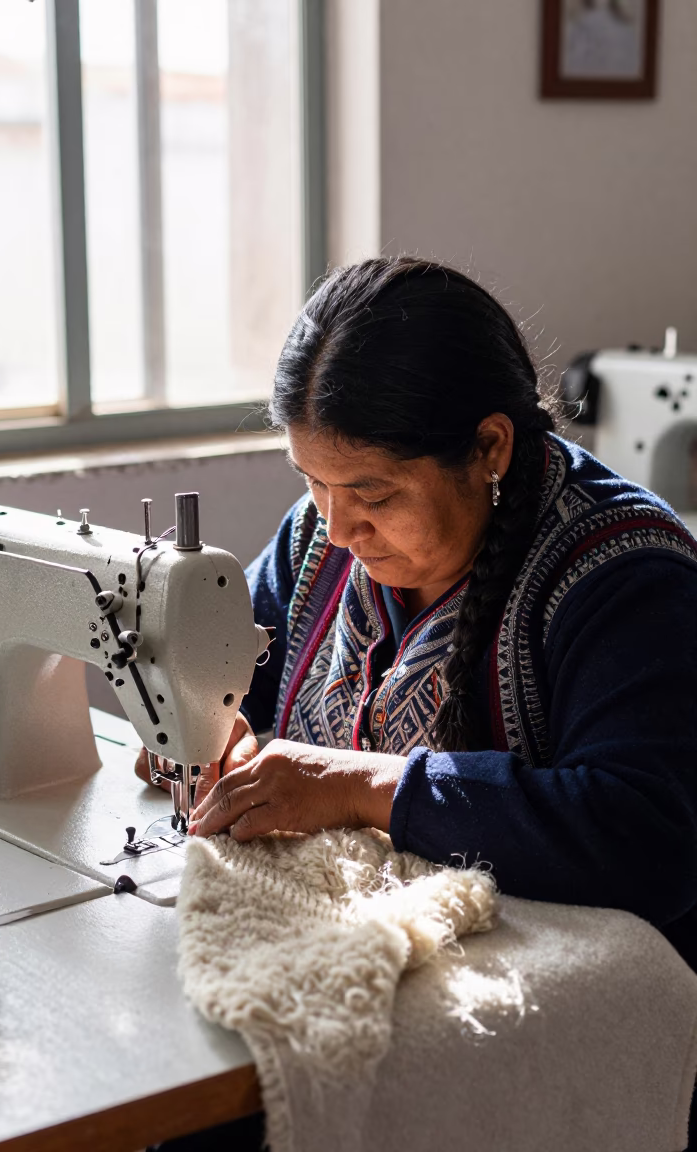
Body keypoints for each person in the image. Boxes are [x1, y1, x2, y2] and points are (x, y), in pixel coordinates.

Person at [140, 256, 697, 1150]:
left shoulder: (626, 574)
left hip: (562, 1011)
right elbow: (231, 669)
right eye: (312, 485)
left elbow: (648, 835)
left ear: (490, 449)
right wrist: (200, 724)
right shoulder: (321, 538)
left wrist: (365, 786)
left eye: (372, 494)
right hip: (388, 961)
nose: (338, 525)